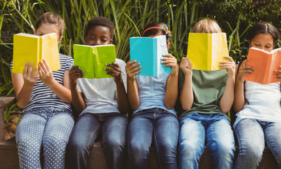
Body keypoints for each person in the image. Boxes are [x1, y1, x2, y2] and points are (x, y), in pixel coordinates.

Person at [11, 12, 74, 169]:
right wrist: (29, 84)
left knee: (55, 141)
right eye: (40, 35)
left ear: (59, 40)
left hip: (62, 112)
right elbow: (21, 103)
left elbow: (70, 98)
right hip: (33, 111)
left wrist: (51, 82)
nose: (43, 39)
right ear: (34, 33)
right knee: (26, 143)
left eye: (50, 37)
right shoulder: (18, 63)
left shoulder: (67, 61)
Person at [233, 22, 281, 169]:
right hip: (249, 118)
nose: (262, 50)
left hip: (276, 119)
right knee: (250, 152)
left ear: (274, 46)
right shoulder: (241, 67)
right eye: (257, 45)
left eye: (267, 47)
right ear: (249, 42)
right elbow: (238, 108)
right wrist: (239, 80)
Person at [67, 16, 129, 169]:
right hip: (89, 113)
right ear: (85, 39)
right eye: (92, 38)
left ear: (110, 42)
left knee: (115, 144)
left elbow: (124, 109)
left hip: (115, 114)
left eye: (103, 40)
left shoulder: (120, 65)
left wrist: (119, 81)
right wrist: (73, 85)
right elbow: (80, 108)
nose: (97, 43)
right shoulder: (78, 67)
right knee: (77, 145)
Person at [178, 19, 236, 169]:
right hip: (192, 116)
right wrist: (188, 74)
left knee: (225, 148)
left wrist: (231, 76)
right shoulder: (186, 66)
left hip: (218, 117)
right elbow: (186, 105)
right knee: (189, 148)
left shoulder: (225, 67)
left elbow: (224, 108)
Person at [126, 22, 179, 169]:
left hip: (166, 113)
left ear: (167, 45)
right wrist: (130, 78)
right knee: (137, 148)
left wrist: (175, 73)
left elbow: (169, 104)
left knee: (167, 146)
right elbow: (134, 105)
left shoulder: (171, 68)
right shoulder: (134, 67)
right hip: (141, 113)